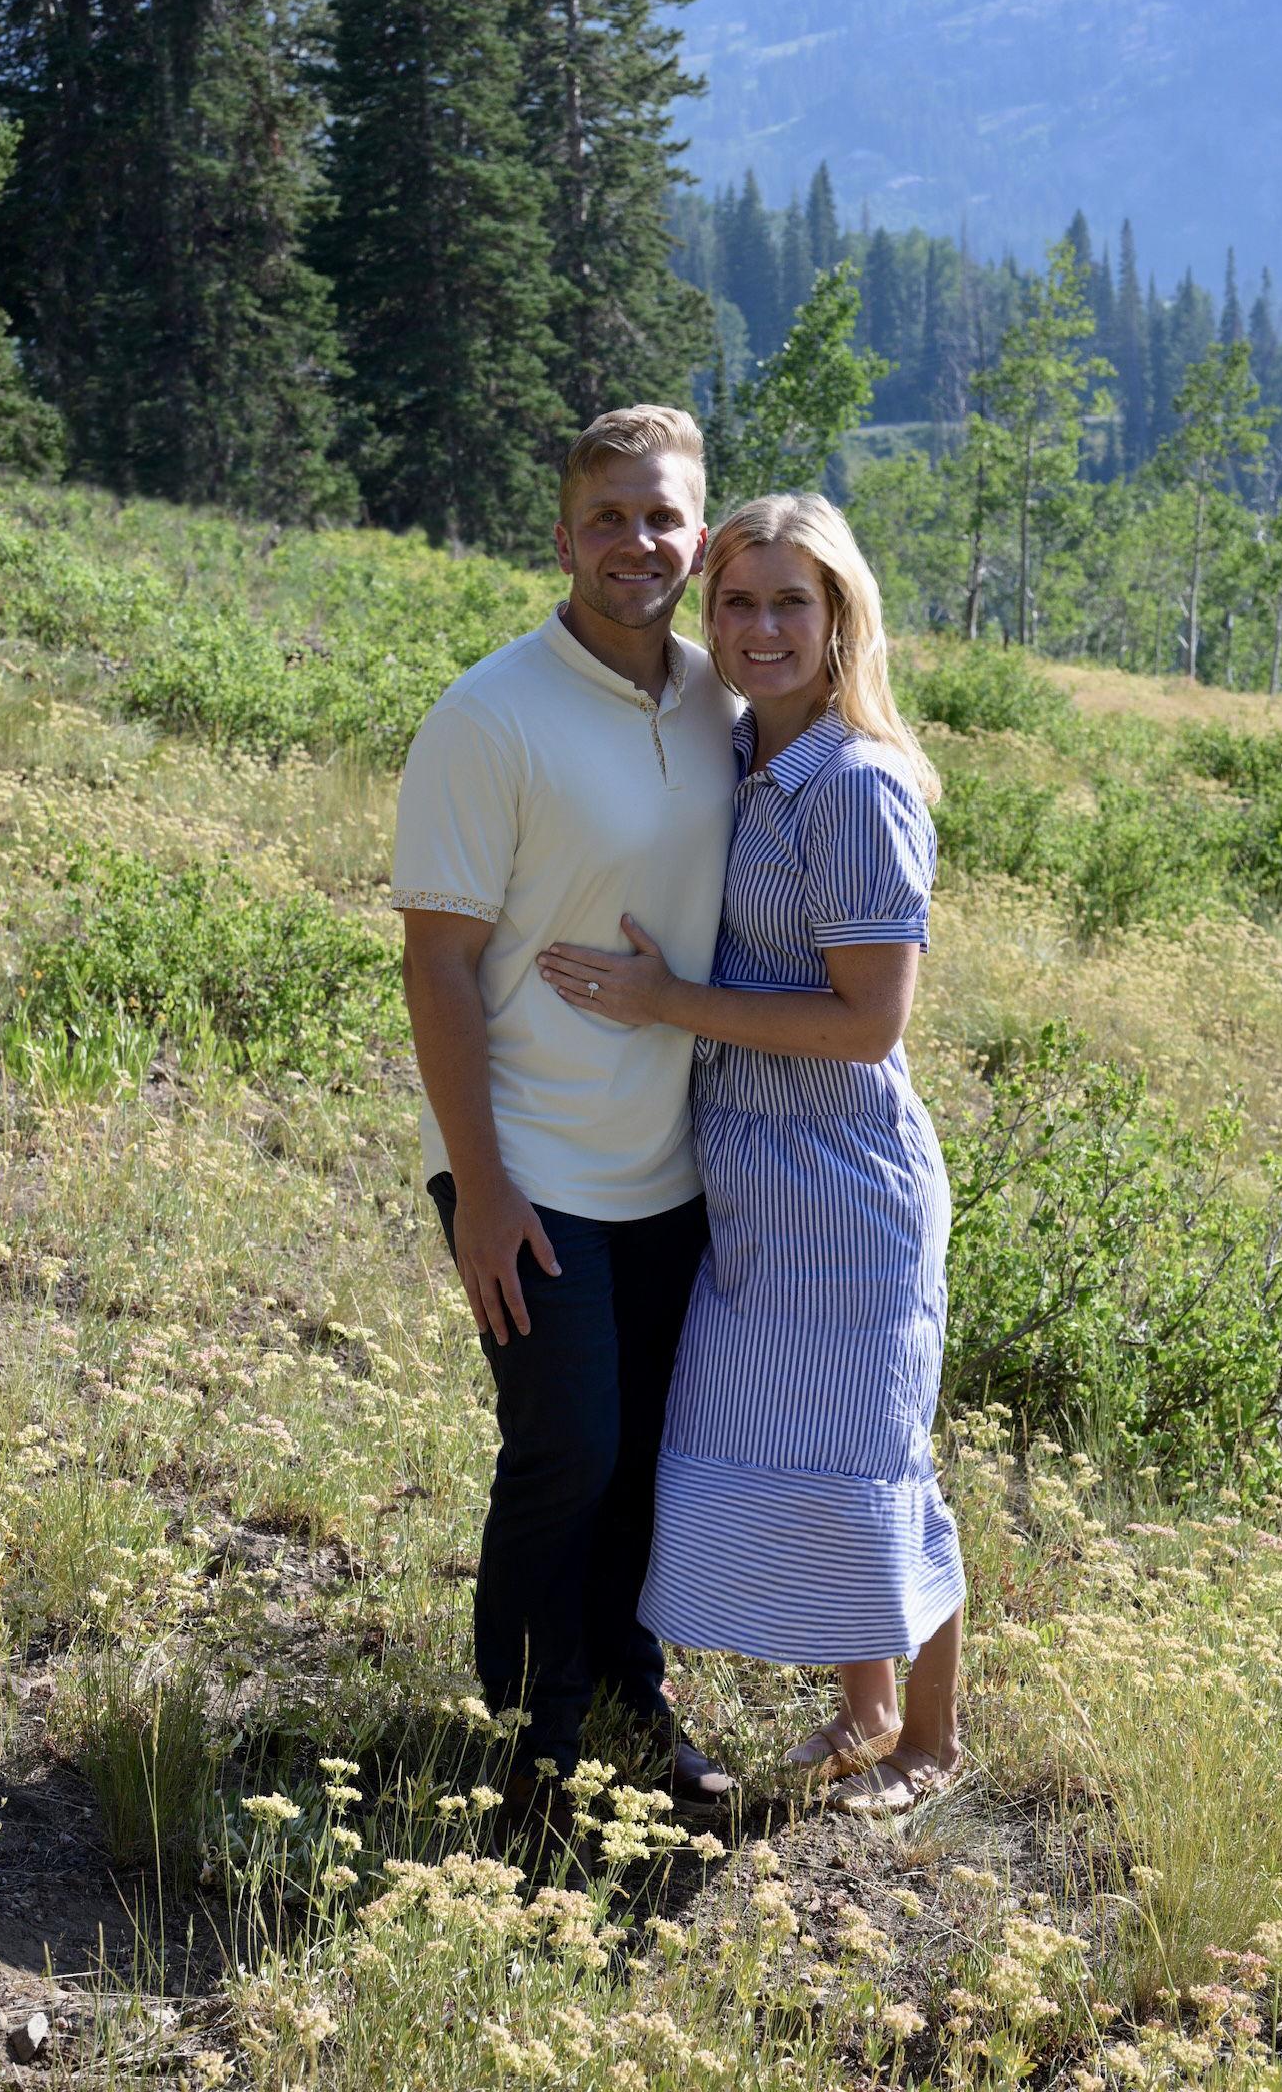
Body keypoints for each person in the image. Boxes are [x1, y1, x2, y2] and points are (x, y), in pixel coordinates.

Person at [534, 492, 966, 1814]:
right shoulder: (746, 756)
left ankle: (931, 1744)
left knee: (877, 1453)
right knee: (807, 1443)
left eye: (792, 602)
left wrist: (665, 1004)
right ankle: (865, 1704)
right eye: (738, 601)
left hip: (842, 1180)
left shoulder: (853, 784)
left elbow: (868, 1022)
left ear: (842, 621)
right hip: (754, 1177)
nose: (761, 626)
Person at [390, 406, 740, 1816]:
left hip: (671, 1163)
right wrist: (480, 1185)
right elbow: (438, 965)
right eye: (609, 517)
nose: (636, 543)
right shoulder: (490, 717)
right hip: (526, 1161)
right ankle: (534, 1751)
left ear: (697, 537)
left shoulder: (724, 700)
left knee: (648, 1453)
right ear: (564, 533)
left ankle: (628, 1698)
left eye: (662, 518)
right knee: (568, 1449)